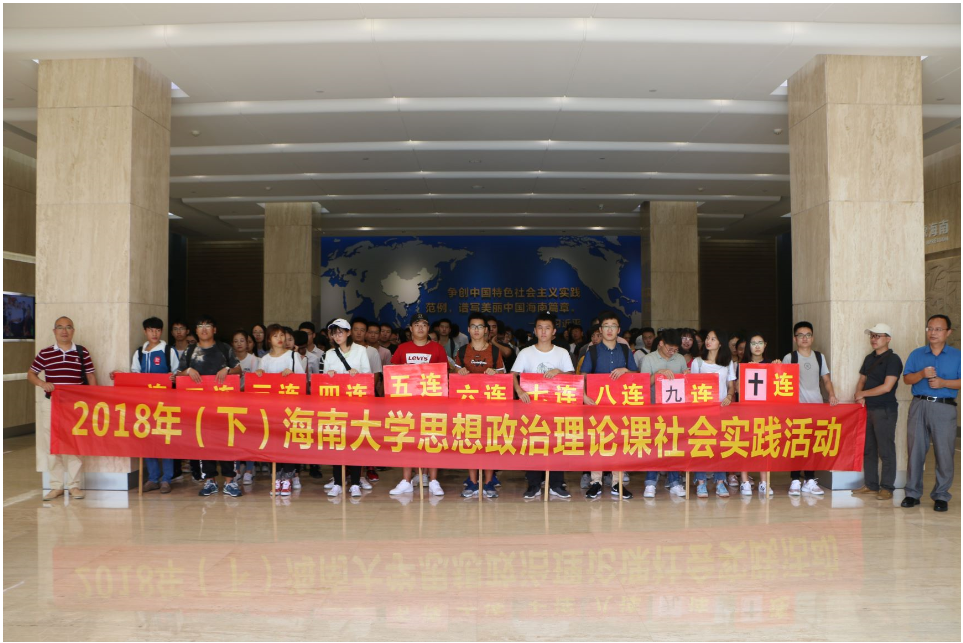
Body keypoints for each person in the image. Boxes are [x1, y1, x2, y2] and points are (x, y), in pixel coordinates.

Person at [28, 316, 98, 500]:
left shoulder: (82, 352)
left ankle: (74, 486)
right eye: (60, 327)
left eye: (68, 327)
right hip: (52, 404)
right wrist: (42, 383)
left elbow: (90, 376)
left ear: (73, 331)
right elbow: (31, 374)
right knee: (52, 444)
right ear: (54, 331)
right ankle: (56, 486)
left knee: (75, 444)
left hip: (76, 406)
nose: (64, 331)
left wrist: (93, 400)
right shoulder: (45, 353)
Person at [176, 314, 243, 497]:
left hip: (224, 406)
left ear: (215, 329)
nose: (204, 329)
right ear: (196, 331)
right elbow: (178, 374)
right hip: (199, 408)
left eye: (208, 325)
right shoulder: (190, 350)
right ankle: (210, 481)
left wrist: (227, 369)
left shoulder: (224, 348)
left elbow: (239, 369)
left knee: (227, 442)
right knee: (204, 443)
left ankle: (230, 482)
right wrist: (188, 371)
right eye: (200, 326)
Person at [111, 317, 180, 494]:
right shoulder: (139, 352)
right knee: (147, 439)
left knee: (165, 440)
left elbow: (179, 373)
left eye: (157, 330)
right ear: (145, 331)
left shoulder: (168, 351)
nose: (154, 333)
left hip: (165, 403)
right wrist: (120, 375)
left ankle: (166, 479)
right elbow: (135, 375)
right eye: (151, 330)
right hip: (145, 405)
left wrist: (174, 377)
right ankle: (153, 478)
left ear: (161, 331)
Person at [512, 312, 575, 500]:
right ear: (535, 330)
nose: (543, 331)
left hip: (557, 408)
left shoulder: (562, 353)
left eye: (547, 328)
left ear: (554, 331)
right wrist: (519, 391)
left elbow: (572, 377)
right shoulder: (526, 352)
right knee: (533, 444)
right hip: (531, 407)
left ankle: (556, 484)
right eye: (540, 327)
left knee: (556, 444)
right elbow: (513, 375)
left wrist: (559, 372)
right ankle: (533, 484)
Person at [901, 314, 960, 512]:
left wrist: (944, 383)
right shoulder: (917, 354)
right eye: (930, 328)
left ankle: (941, 495)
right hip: (919, 405)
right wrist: (921, 374)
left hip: (944, 407)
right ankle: (912, 493)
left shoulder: (957, 356)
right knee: (915, 450)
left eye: (938, 329)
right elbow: (907, 379)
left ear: (948, 332)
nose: (933, 333)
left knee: (944, 452)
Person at [389, 313, 450, 497]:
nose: (421, 328)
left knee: (432, 440)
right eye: (417, 324)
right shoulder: (402, 348)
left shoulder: (437, 348)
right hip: (407, 404)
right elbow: (393, 373)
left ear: (429, 328)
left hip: (432, 404)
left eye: (424, 324)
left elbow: (444, 375)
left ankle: (433, 481)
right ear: (410, 329)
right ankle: (406, 480)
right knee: (408, 441)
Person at [580, 311, 638, 499]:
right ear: (601, 329)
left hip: (620, 405)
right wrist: (584, 396)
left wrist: (625, 370)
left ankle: (617, 483)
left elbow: (637, 376)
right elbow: (582, 376)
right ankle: (596, 482)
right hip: (597, 404)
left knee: (619, 442)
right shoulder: (592, 351)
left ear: (619, 329)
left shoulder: (625, 350)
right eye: (606, 326)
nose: (610, 329)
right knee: (596, 442)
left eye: (613, 326)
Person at [783, 321, 839, 497]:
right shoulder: (789, 358)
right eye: (800, 335)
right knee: (796, 444)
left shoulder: (819, 357)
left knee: (812, 445)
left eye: (808, 335)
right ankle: (794, 480)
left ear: (812, 338)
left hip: (815, 408)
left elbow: (826, 380)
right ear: (795, 339)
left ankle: (809, 479)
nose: (804, 338)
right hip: (795, 409)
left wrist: (831, 395)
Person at [454, 313, 506, 498]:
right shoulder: (462, 351)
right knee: (471, 443)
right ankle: (473, 482)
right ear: (468, 330)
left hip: (491, 406)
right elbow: (454, 376)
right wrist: (459, 372)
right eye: (473, 326)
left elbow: (504, 376)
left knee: (490, 443)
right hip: (468, 406)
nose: (476, 330)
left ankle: (489, 482)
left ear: (486, 330)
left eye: (480, 327)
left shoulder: (494, 352)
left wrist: (495, 374)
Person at [850, 323, 904, 501]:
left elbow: (887, 387)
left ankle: (887, 487)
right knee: (869, 448)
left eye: (878, 336)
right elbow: (862, 380)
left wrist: (863, 394)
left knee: (885, 449)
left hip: (884, 409)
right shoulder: (869, 358)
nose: (874, 339)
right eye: (872, 336)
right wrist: (859, 395)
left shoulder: (893, 359)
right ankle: (871, 484)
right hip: (868, 409)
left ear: (888, 339)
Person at [638, 329, 688, 499]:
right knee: (654, 446)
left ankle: (674, 482)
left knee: (673, 445)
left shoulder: (680, 359)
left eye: (675, 349)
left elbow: (686, 382)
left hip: (675, 410)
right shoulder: (649, 359)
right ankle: (650, 482)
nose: (672, 352)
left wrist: (687, 375)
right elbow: (643, 384)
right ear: (661, 343)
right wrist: (657, 374)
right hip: (654, 409)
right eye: (669, 348)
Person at [689, 329, 735, 499]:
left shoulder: (727, 363)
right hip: (701, 411)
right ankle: (701, 482)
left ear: (720, 343)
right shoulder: (698, 362)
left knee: (719, 447)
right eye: (708, 338)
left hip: (720, 409)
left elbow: (731, 385)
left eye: (713, 339)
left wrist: (729, 396)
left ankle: (720, 481)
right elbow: (691, 386)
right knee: (701, 445)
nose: (709, 341)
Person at [738, 332, 780, 496]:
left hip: (765, 411)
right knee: (745, 446)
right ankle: (745, 481)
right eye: (753, 343)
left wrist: (778, 368)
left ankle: (764, 482)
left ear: (765, 345)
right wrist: (747, 370)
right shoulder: (742, 365)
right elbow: (738, 389)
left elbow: (779, 386)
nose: (757, 346)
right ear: (748, 346)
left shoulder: (771, 364)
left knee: (764, 445)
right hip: (746, 411)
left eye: (760, 343)